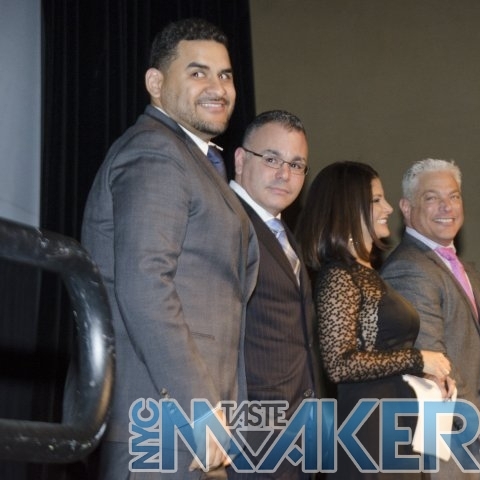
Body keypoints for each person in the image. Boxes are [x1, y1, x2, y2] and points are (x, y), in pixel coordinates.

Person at [81, 18, 259, 479]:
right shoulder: (155, 152)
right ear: (156, 84)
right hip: (163, 419)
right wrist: (198, 408)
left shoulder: (195, 159)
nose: (218, 87)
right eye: (198, 73)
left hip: (195, 424)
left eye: (225, 75)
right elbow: (145, 285)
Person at [295, 161, 453, 479]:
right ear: (348, 207)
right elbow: (340, 364)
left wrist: (422, 371)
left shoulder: (364, 273)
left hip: (392, 428)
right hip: (370, 435)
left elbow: (373, 351)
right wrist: (418, 358)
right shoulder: (339, 275)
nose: (389, 208)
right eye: (377, 200)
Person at [381, 158, 480, 480]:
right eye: (432, 197)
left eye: (454, 196)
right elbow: (434, 362)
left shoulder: (468, 271)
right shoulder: (408, 268)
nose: (447, 207)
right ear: (406, 207)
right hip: (445, 447)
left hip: (477, 442)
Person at [228, 110, 323, 480]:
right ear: (240, 159)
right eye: (271, 159)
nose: (285, 174)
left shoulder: (283, 234)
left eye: (296, 165)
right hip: (250, 436)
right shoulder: (226, 224)